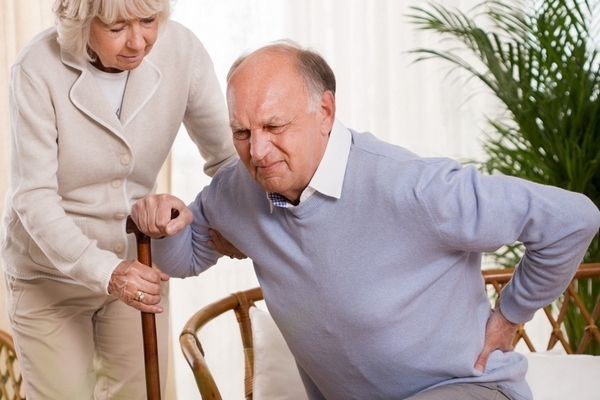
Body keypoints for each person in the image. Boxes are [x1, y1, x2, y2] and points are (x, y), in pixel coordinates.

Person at [131, 41, 600, 400]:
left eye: (274, 126)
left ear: (325, 112)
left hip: (467, 388)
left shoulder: (415, 187)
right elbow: (183, 258)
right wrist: (164, 223)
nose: (257, 151)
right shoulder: (239, 187)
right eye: (241, 132)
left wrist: (513, 311)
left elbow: (572, 219)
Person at [0, 0, 238, 398]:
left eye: (148, 20)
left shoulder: (182, 51)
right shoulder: (36, 68)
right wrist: (108, 272)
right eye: (116, 28)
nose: (138, 41)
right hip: (48, 275)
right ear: (80, 21)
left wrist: (238, 227)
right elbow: (34, 196)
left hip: (137, 260)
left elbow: (228, 158)